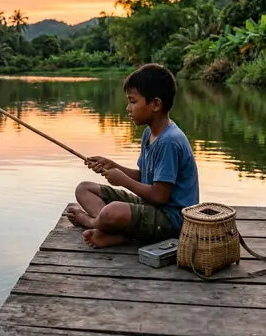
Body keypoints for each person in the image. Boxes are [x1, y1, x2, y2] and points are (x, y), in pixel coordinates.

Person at [67, 63, 199, 248]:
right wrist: (113, 166)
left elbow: (160, 196)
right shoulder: (150, 133)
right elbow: (144, 176)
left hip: (172, 221)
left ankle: (92, 223)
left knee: (112, 211)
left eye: (133, 101)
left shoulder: (170, 141)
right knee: (84, 189)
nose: (128, 108)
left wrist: (122, 180)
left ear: (156, 104)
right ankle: (117, 233)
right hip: (150, 209)